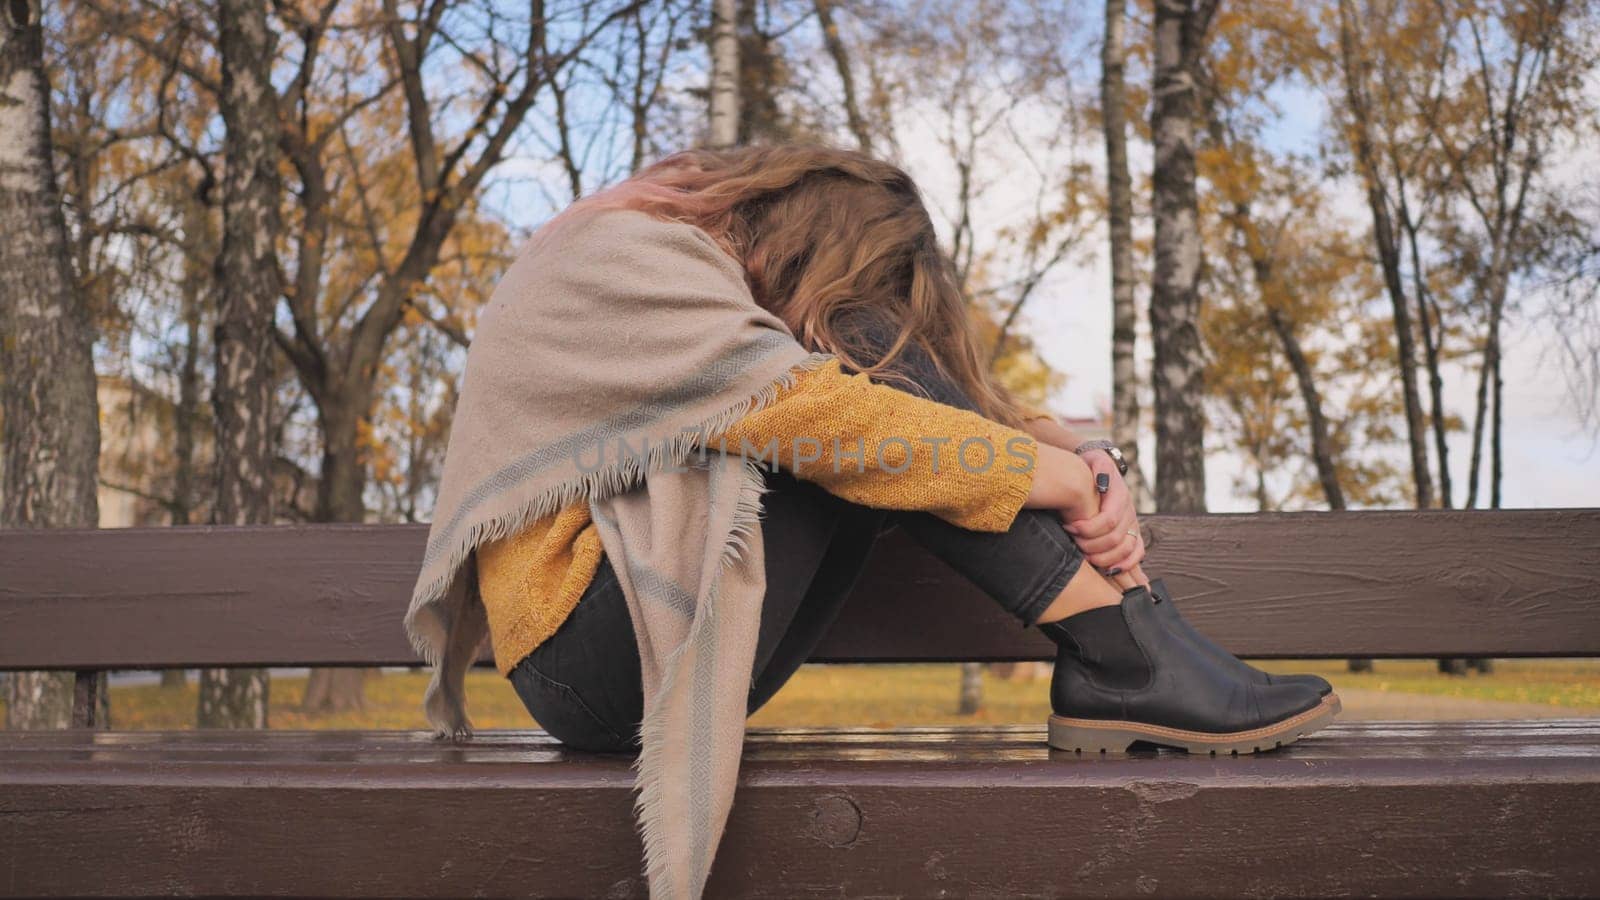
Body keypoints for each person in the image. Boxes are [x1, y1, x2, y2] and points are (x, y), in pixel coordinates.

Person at [471, 142, 1339, 757]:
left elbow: (922, 410)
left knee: (867, 383)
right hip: (587, 655)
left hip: (651, 654)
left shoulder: (680, 283)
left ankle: (1132, 648)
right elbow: (822, 416)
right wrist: (1059, 480)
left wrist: (1085, 454)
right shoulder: (621, 249)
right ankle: (1124, 648)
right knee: (854, 373)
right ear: (812, 235)